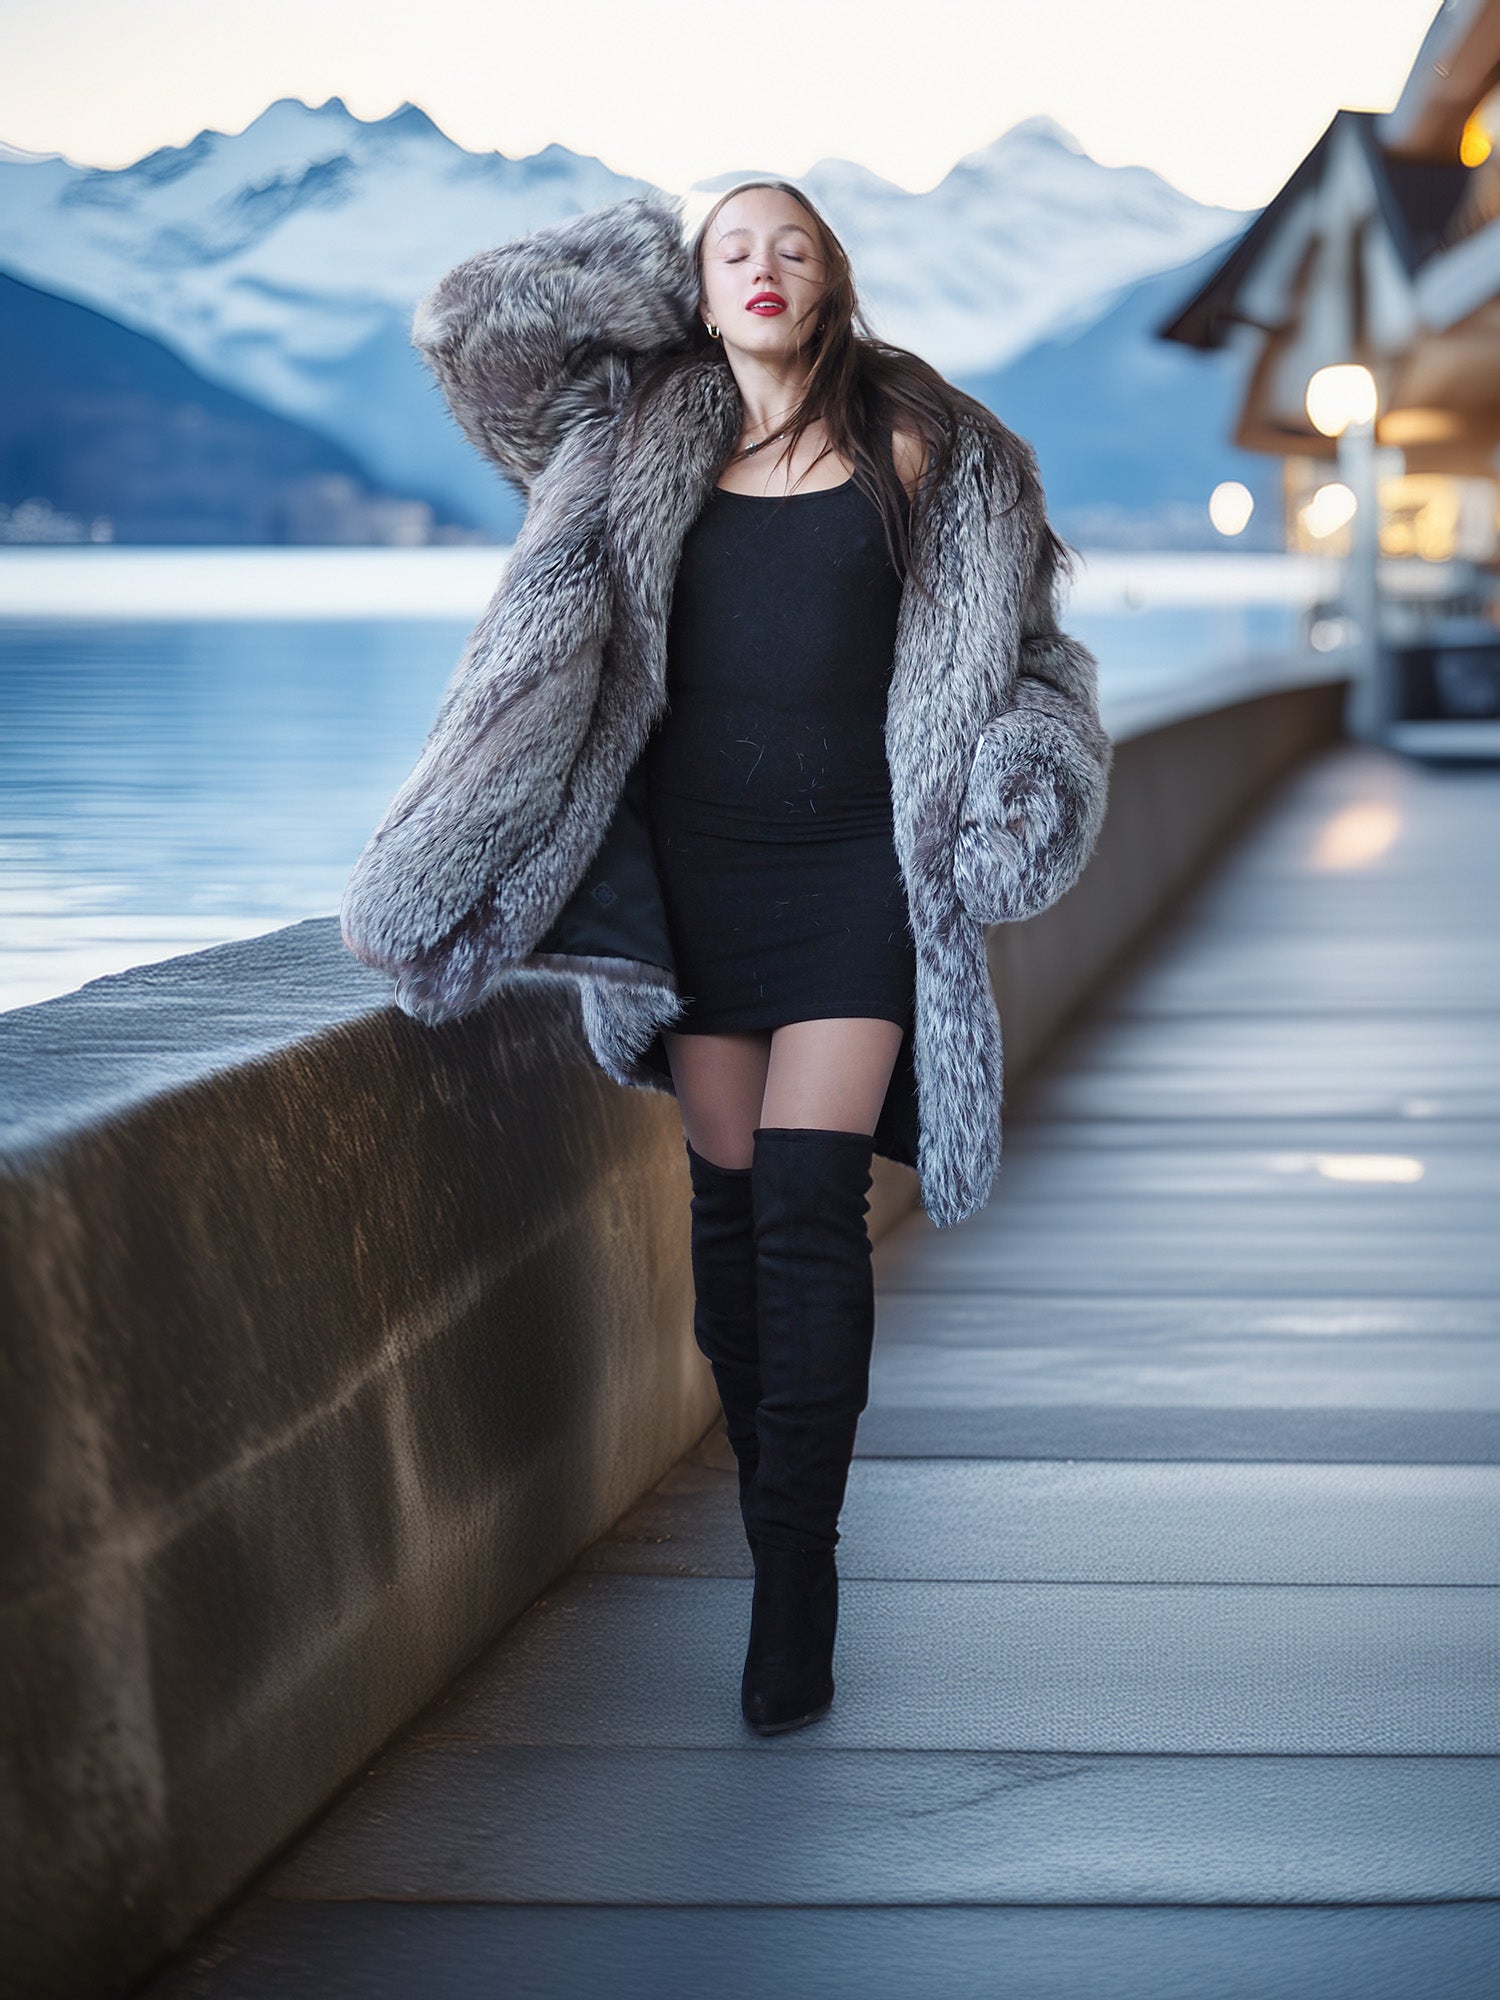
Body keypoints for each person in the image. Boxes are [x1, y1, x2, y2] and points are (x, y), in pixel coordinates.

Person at [340, 180, 1113, 1740]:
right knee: (734, 1216)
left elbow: (1040, 663)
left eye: (794, 245)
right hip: (689, 884)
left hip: (855, 883)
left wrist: (1028, 770)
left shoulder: (928, 450)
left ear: (835, 278)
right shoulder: (630, 438)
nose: (764, 269)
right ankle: (777, 1500)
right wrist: (622, 255)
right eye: (732, 250)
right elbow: (472, 341)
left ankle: (795, 1581)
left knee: (816, 1213)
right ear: (695, 289)